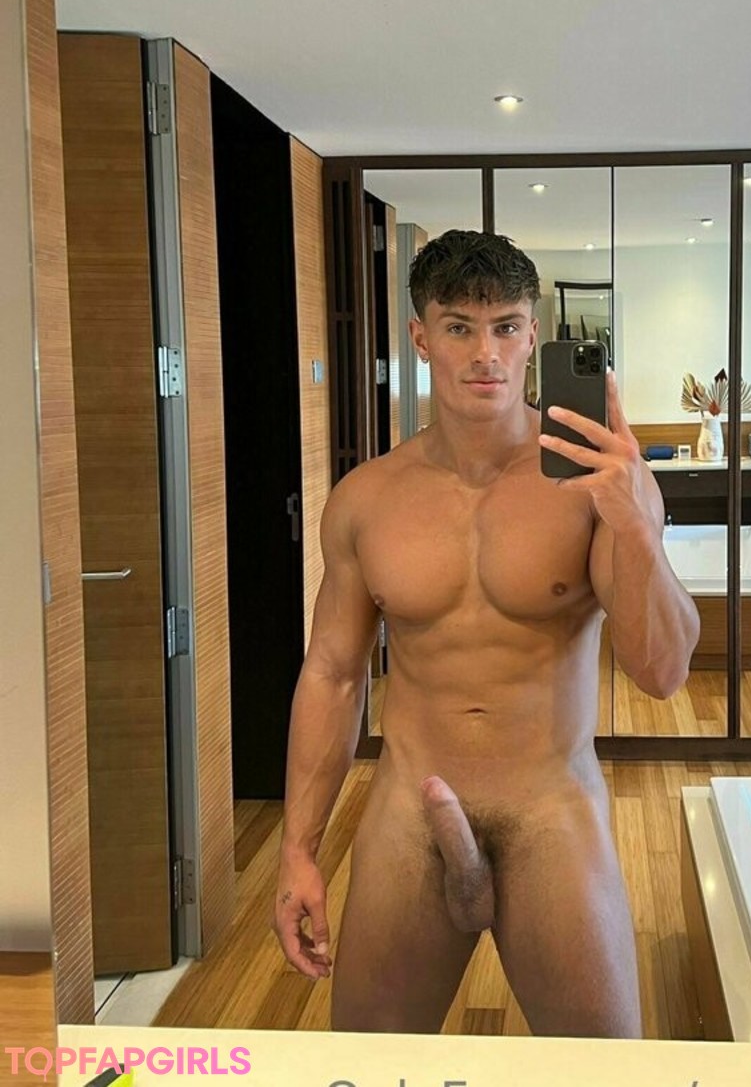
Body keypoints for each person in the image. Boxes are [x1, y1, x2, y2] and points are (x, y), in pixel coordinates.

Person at [272, 229, 700, 1037]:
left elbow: (663, 671)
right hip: (409, 810)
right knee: (371, 1066)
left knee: (604, 1071)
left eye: (505, 326)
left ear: (533, 334)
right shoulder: (367, 499)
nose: (485, 353)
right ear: (420, 336)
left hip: (549, 811)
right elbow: (332, 671)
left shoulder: (596, 486)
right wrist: (298, 848)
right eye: (460, 326)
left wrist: (637, 526)